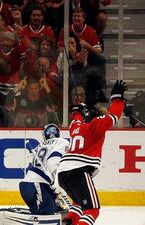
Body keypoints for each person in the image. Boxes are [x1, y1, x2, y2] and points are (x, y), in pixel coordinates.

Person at [57, 80, 127, 225]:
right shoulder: (96, 124)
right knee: (92, 210)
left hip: (62, 174)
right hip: (79, 171)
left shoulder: (76, 127)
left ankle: (68, 222)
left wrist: (77, 110)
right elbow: (113, 116)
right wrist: (117, 98)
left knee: (77, 205)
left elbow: (75, 118)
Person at [19, 124, 69, 215]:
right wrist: (58, 182)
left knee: (54, 213)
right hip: (37, 185)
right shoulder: (62, 142)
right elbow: (53, 162)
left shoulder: (40, 146)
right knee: (47, 216)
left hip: (32, 185)